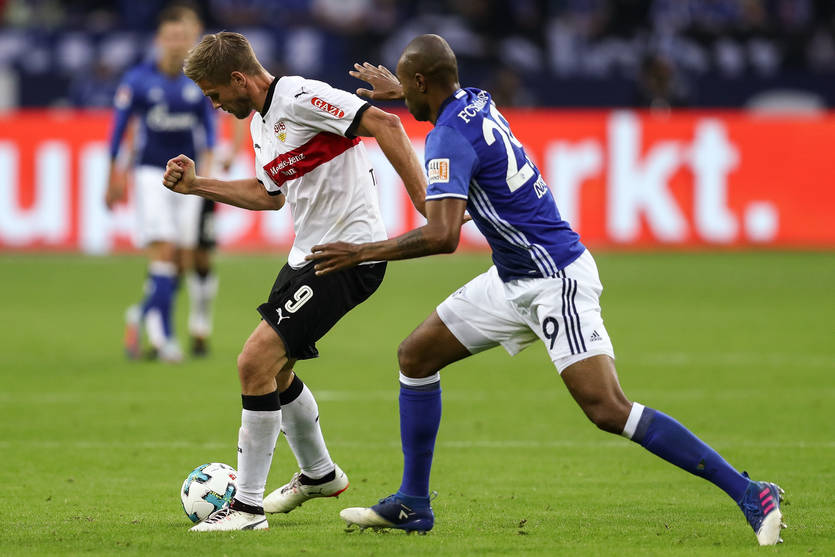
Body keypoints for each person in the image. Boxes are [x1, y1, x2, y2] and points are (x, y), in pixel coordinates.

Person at [305, 34, 787, 546]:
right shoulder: (476, 101)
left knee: (607, 408)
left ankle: (750, 492)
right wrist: (403, 93)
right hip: (511, 277)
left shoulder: (447, 138)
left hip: (553, 279)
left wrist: (361, 252)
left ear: (422, 82)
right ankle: (413, 503)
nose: (403, 93)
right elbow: (445, 116)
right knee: (416, 356)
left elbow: (443, 235)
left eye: (408, 84)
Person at [161, 31, 429, 531]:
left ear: (239, 79)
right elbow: (269, 195)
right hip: (306, 256)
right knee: (277, 373)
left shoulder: (302, 97)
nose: (215, 105)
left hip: (348, 255)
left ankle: (246, 509)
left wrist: (425, 204)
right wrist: (198, 186)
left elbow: (387, 123)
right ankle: (319, 473)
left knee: (253, 362)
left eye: (215, 94)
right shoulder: (261, 124)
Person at [105, 4, 219, 361]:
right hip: (150, 173)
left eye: (182, 37)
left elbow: (209, 130)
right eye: (170, 37)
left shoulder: (198, 81)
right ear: (159, 39)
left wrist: (207, 175)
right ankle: (164, 337)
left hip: (188, 178)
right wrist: (113, 174)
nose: (176, 44)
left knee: (182, 261)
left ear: (190, 40)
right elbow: (119, 130)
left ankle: (140, 314)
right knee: (165, 251)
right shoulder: (138, 80)